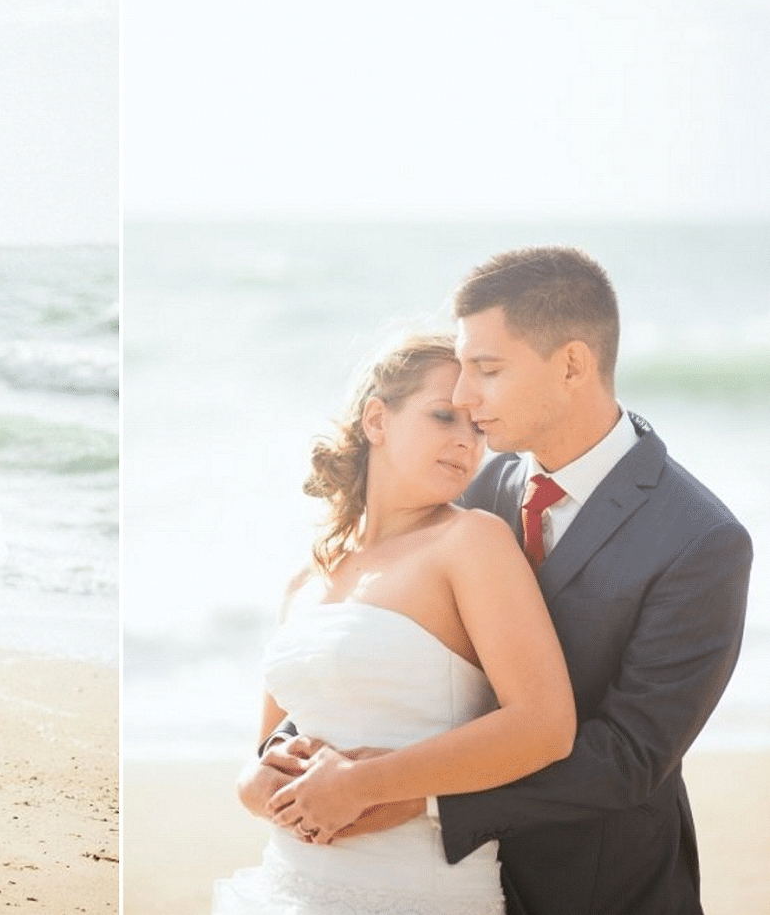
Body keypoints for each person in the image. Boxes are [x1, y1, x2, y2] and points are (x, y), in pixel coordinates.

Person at [259, 248, 753, 914]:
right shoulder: (479, 488)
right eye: (461, 375)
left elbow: (629, 756)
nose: (464, 397)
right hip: (452, 884)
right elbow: (390, 643)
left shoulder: (700, 539)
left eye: (487, 371)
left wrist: (416, 798)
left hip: (598, 890)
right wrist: (293, 757)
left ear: (572, 365)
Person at [213, 333, 577, 914]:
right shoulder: (307, 578)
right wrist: (252, 786)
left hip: (416, 891)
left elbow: (546, 725)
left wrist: (363, 785)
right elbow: (268, 746)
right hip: (287, 885)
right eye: (442, 416)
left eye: (478, 428)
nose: (465, 441)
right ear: (377, 420)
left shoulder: (472, 541)